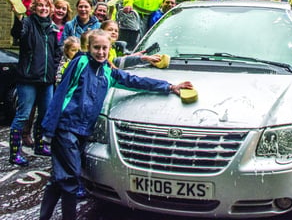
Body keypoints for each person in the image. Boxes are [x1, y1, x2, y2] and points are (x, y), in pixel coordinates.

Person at [38, 29, 194, 219]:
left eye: (105, 48)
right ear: (89, 47)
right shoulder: (80, 63)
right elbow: (61, 92)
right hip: (65, 128)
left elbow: (134, 80)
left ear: (109, 49)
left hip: (82, 131)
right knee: (70, 179)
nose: (101, 52)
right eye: (97, 48)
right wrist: (48, 128)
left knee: (58, 179)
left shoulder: (107, 72)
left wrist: (169, 87)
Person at [9, 0, 61, 166]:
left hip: (46, 80)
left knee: (45, 114)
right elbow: (17, 33)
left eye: (47, 6)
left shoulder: (53, 28)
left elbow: (56, 52)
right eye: (40, 6)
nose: (44, 9)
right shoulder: (28, 23)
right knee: (23, 115)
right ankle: (15, 152)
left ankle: (39, 145)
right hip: (28, 78)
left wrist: (54, 70)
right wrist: (18, 17)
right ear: (34, 8)